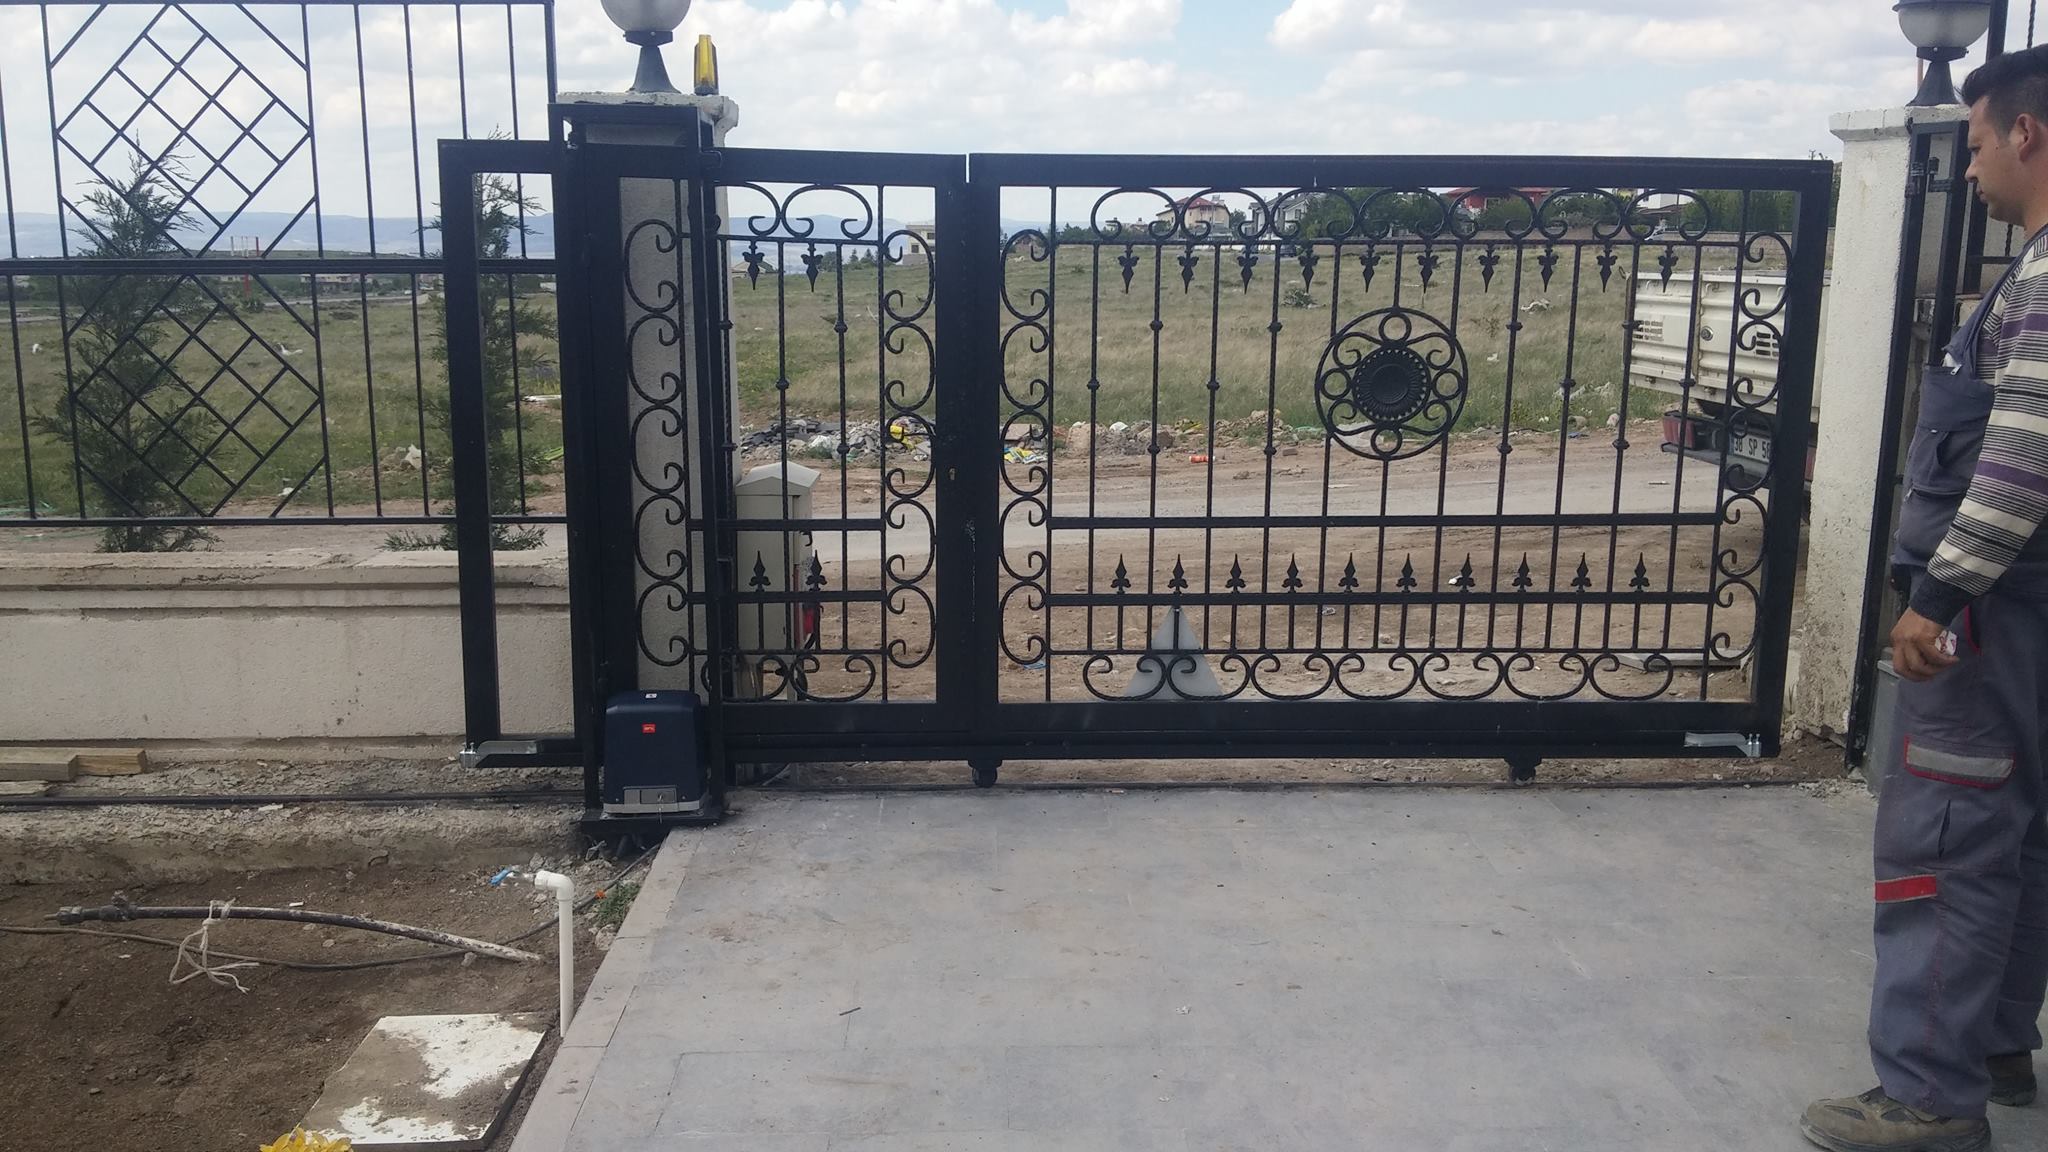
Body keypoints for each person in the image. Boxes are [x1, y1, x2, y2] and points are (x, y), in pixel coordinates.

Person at [1801, 45, 2048, 1152]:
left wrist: (1937, 595)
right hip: (2027, 614)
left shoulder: (2043, 281)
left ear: (2026, 133)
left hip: (1992, 615)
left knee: (1945, 842)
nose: (1975, 167)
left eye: (1980, 143)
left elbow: (2023, 459)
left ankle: (1927, 1099)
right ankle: (1994, 1047)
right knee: (2018, 836)